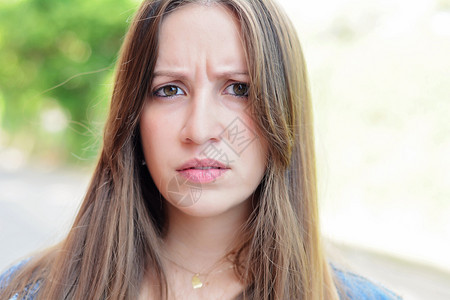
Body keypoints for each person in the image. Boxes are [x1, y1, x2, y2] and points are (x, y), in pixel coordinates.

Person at [0, 0, 401, 299]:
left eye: (239, 89)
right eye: (169, 90)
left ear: (283, 110)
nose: (200, 129)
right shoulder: (26, 291)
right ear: (133, 118)